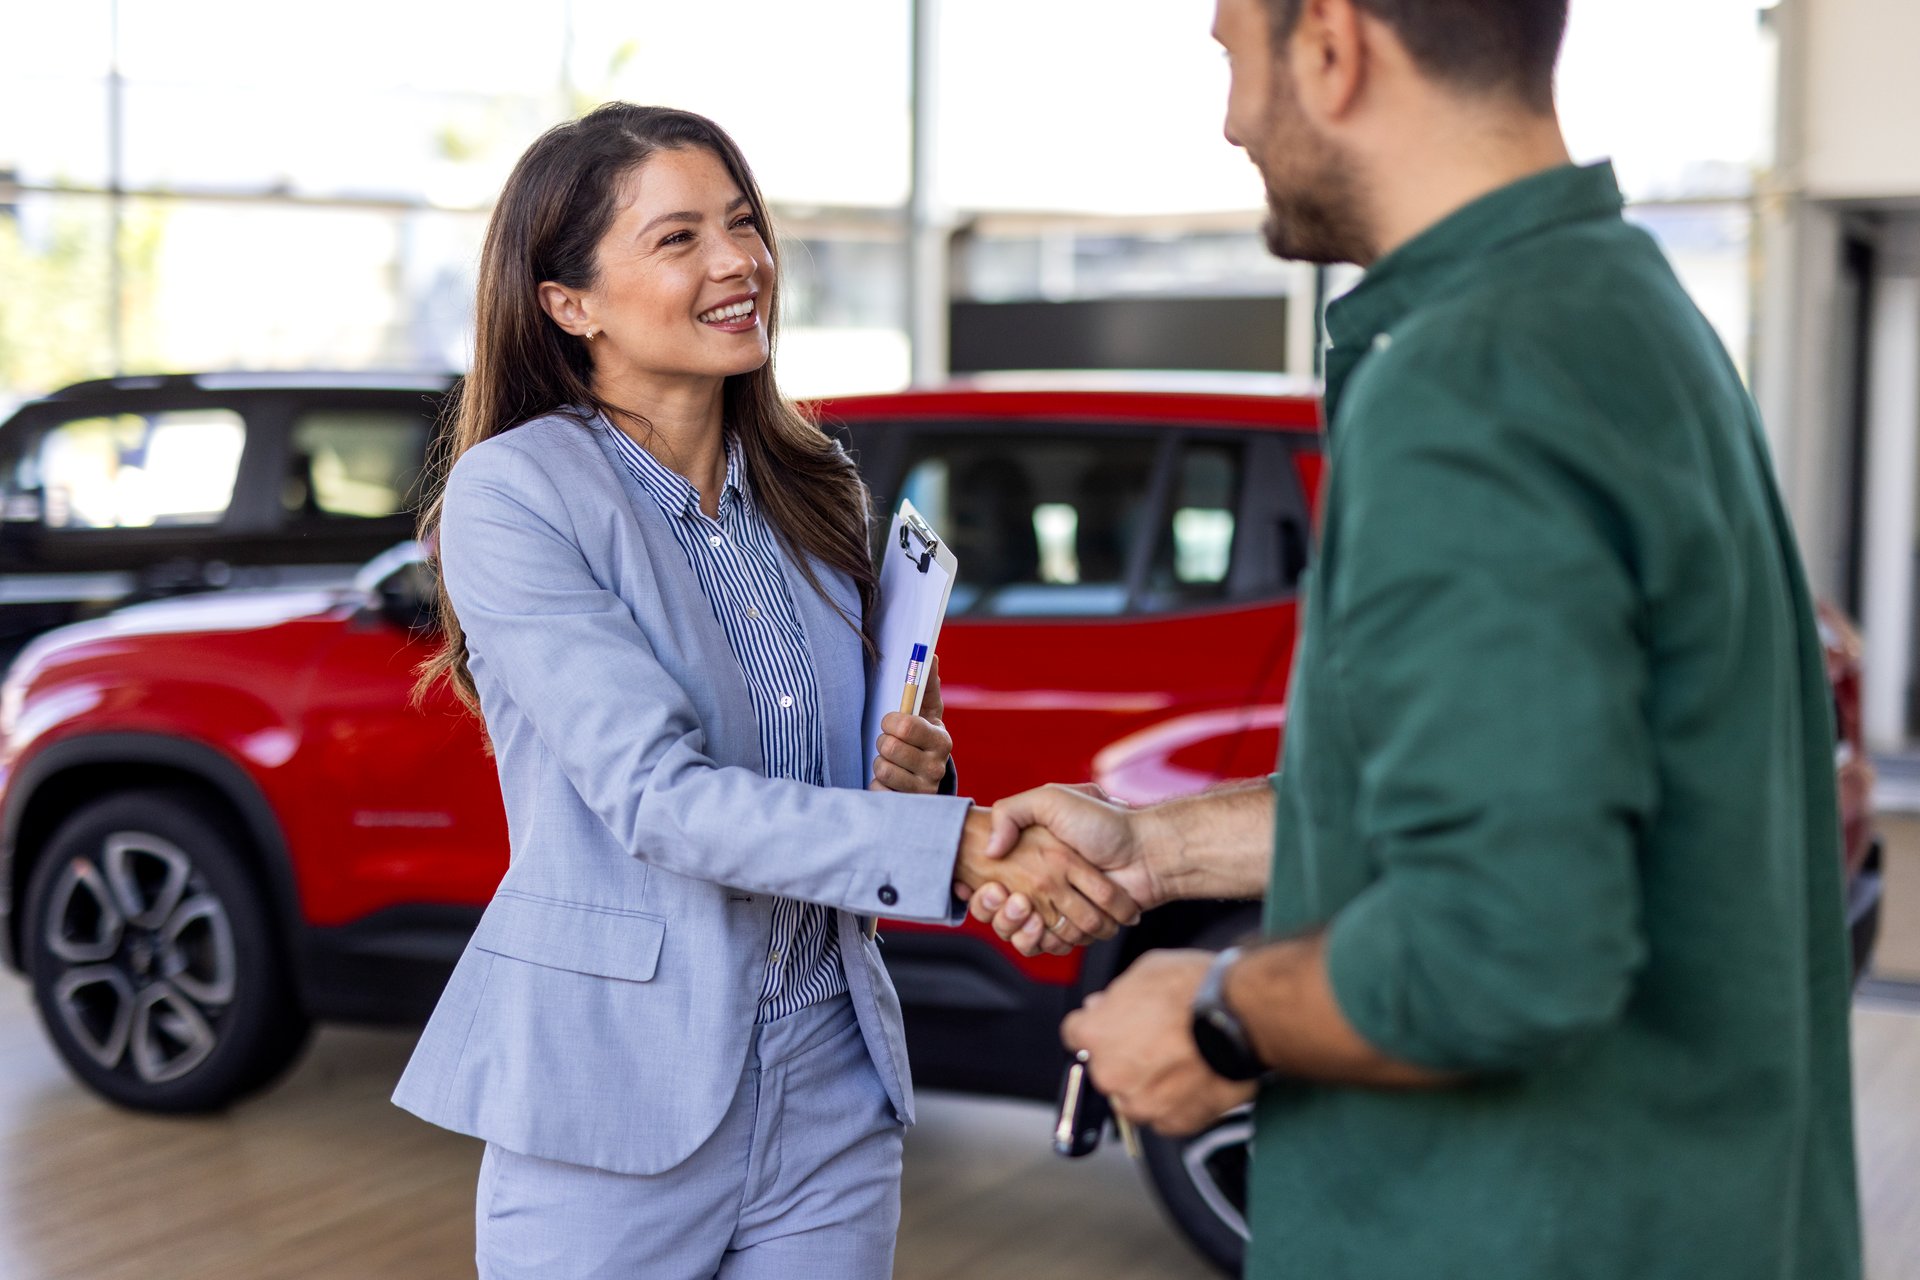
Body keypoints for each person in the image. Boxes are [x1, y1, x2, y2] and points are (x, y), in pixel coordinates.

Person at [967, 1, 1865, 1276]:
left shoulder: (1468, 378)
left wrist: (1215, 1014)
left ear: (1331, 45)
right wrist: (1157, 850)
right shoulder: (1619, 308)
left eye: (1233, 57)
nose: (1230, 122)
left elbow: (1507, 940)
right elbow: (1537, 797)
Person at [390, 104, 1138, 1279]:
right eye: (678, 237)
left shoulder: (815, 479)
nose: (740, 261)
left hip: (830, 1074)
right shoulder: (516, 494)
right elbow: (660, 799)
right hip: (618, 1093)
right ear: (568, 302)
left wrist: (922, 769)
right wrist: (960, 845)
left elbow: (849, 772)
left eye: (742, 224)